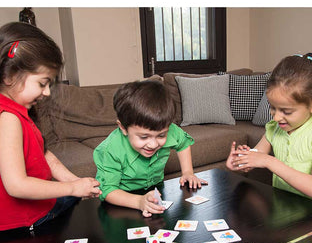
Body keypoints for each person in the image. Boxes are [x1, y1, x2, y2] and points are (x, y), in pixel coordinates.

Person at [0, 22, 101, 232]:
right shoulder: (8, 119)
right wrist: (73, 188)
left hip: (31, 213)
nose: (47, 92)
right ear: (9, 76)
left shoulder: (9, 107)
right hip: (21, 223)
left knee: (77, 200)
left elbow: (45, 154)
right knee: (90, 219)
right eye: (42, 83)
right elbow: (17, 185)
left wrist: (75, 181)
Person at [93, 80, 207, 217]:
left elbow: (183, 143)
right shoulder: (110, 150)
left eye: (161, 135)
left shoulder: (171, 130)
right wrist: (139, 201)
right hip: (122, 201)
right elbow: (108, 190)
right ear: (123, 127)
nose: (153, 145)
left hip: (155, 191)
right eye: (144, 137)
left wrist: (188, 172)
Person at [226, 53, 312, 198]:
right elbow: (257, 156)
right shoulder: (274, 128)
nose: (276, 117)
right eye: (272, 107)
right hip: (283, 210)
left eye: (286, 111)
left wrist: (269, 162)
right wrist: (241, 161)